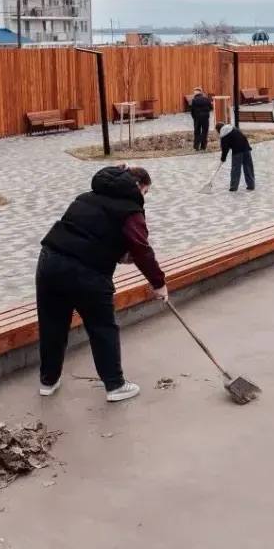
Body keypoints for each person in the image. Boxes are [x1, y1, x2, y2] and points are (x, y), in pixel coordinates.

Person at [36, 165, 166, 403]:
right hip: (88, 273)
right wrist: (159, 283)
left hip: (50, 262)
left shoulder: (86, 198)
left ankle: (48, 381)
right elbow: (141, 250)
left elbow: (87, 233)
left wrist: (117, 254)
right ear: (138, 187)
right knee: (102, 327)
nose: (143, 198)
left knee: (52, 324)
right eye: (145, 192)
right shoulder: (131, 211)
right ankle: (115, 386)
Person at [217, 122, 255, 191]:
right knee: (248, 167)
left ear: (218, 130)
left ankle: (233, 187)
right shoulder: (233, 128)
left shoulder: (224, 134)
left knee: (235, 169)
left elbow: (225, 149)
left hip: (237, 151)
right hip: (246, 148)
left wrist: (223, 158)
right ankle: (251, 185)